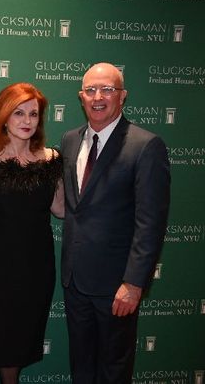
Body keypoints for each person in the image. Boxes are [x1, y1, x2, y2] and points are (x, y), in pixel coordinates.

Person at [61, 62, 170, 383]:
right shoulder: (69, 140)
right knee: (81, 368)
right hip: (75, 281)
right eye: (91, 90)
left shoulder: (145, 145)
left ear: (122, 96)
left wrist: (134, 284)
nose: (98, 97)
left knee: (113, 371)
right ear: (81, 97)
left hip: (116, 286)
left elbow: (150, 223)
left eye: (107, 89)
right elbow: (73, 205)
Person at [0, 83, 64, 384]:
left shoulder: (52, 160)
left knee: (23, 336)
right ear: (4, 116)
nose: (27, 121)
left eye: (33, 114)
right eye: (18, 113)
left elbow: (61, 209)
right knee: (1, 338)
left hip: (37, 267)